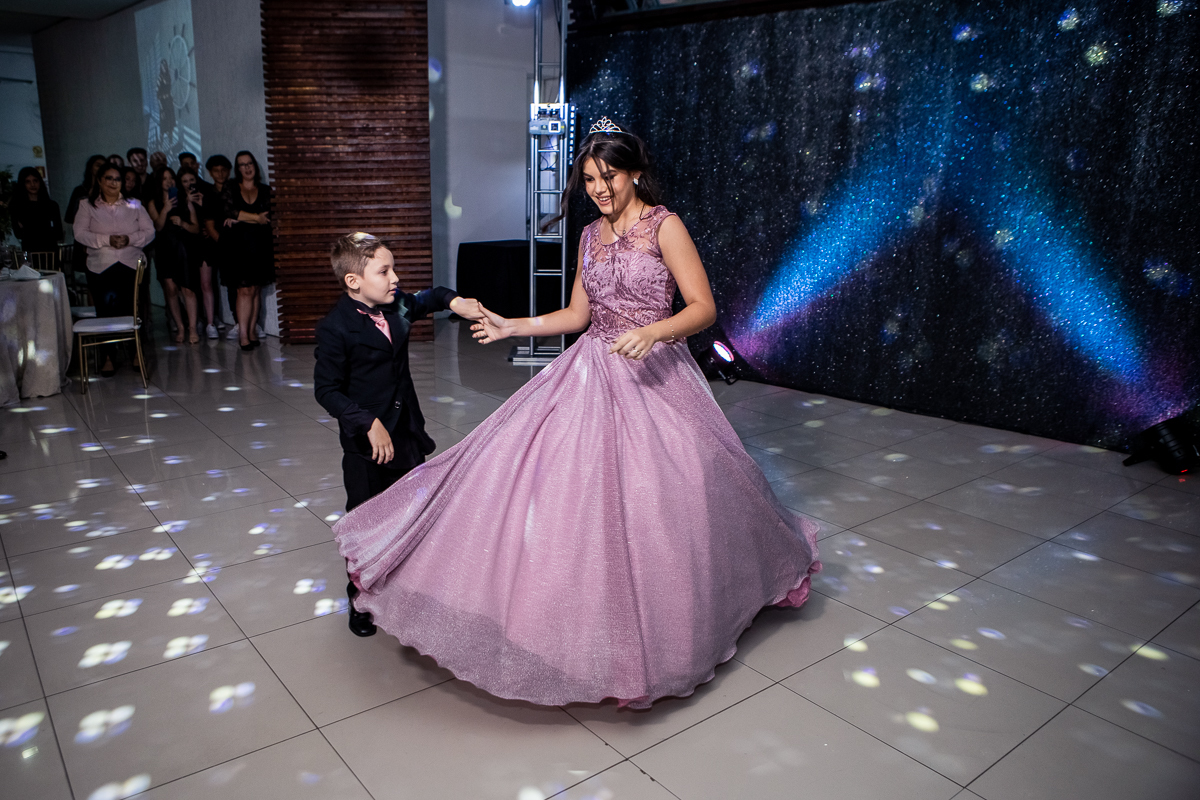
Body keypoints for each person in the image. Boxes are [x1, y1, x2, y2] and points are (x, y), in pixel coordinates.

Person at [331, 120, 821, 708]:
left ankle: (679, 619)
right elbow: (576, 315)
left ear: (634, 171)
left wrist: (656, 331)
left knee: (670, 502)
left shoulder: (665, 225)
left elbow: (704, 307)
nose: (599, 189)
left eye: (608, 176)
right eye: (589, 179)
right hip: (591, 369)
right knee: (556, 490)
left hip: (658, 375)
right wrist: (514, 324)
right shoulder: (589, 236)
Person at [313, 232, 485, 636]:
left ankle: (408, 589)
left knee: (411, 515)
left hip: (405, 434)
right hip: (366, 447)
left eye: (394, 269)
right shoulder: (335, 328)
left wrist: (455, 302)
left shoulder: (397, 307)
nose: (395, 278)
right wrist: (367, 422)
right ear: (354, 281)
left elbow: (434, 295)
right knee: (367, 520)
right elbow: (326, 390)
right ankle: (360, 599)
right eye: (384, 271)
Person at [71, 163, 155, 376]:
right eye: (108, 178)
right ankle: (108, 355)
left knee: (132, 309)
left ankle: (136, 351)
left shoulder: (134, 204)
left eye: (117, 179)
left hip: (130, 264)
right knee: (105, 312)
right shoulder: (87, 205)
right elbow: (80, 233)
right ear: (99, 180)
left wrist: (129, 239)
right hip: (100, 266)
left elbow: (149, 231)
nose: (113, 183)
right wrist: (106, 240)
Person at [221, 151, 273, 350]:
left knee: (256, 290)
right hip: (238, 248)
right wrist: (255, 218)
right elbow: (228, 211)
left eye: (250, 163)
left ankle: (252, 331)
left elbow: (267, 217)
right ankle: (243, 335)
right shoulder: (231, 187)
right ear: (238, 168)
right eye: (242, 164)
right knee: (243, 290)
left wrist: (242, 217)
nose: (247, 167)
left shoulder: (265, 190)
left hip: (260, 246)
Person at [147, 166, 202, 343]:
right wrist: (165, 208)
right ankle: (180, 326)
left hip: (182, 247)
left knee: (187, 288)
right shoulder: (153, 202)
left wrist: (183, 224)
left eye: (171, 177)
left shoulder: (183, 199)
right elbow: (158, 226)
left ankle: (193, 328)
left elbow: (195, 228)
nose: (169, 181)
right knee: (170, 289)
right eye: (165, 178)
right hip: (164, 248)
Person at [200, 155, 231, 338]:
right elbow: (209, 224)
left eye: (223, 170)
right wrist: (222, 242)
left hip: (230, 242)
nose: (220, 174)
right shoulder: (208, 193)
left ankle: (236, 321)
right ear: (210, 173)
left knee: (233, 284)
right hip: (211, 244)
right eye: (216, 170)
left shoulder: (234, 189)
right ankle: (211, 322)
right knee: (207, 283)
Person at [9, 167, 63, 258]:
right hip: (30, 251)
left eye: (35, 181)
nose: (32, 184)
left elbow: (58, 233)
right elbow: (18, 234)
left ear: (40, 182)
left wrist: (28, 228)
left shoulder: (51, 205)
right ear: (23, 184)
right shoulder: (16, 206)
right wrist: (44, 230)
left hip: (50, 251)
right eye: (28, 182)